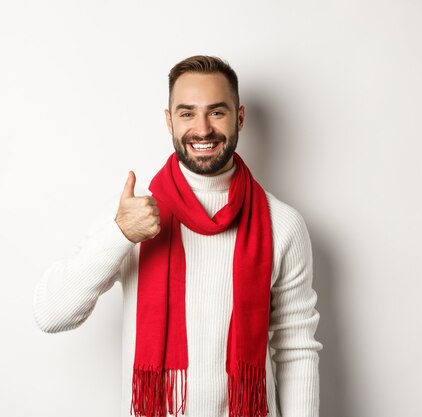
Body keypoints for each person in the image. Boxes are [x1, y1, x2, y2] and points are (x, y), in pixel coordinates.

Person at [33, 55, 323, 417]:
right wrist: (120, 234)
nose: (202, 129)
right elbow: (51, 314)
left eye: (217, 112)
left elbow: (296, 347)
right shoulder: (132, 214)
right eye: (187, 114)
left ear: (240, 118)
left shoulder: (281, 223)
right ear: (169, 121)